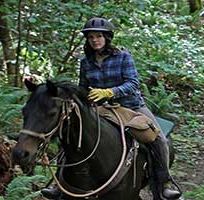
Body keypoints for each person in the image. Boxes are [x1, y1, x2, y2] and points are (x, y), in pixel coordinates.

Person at [41, 17, 181, 199]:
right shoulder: (85, 62)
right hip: (98, 109)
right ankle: (59, 184)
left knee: (159, 139)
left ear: (107, 37)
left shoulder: (123, 57)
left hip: (131, 107)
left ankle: (163, 184)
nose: (94, 40)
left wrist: (109, 92)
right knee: (71, 135)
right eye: (91, 37)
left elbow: (132, 83)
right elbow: (83, 86)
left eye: (98, 36)